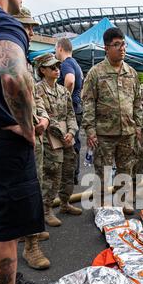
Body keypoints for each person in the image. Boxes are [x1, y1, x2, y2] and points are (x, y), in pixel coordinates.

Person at [0, 0, 56, 284]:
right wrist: (26, 127)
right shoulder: (0, 21)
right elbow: (13, 77)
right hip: (3, 147)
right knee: (6, 231)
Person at [82, 27, 143, 214]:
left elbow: (137, 101)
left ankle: (124, 201)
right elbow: (88, 103)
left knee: (126, 170)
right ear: (106, 48)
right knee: (103, 171)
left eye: (123, 44)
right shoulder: (96, 73)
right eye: (117, 44)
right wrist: (90, 131)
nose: (122, 48)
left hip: (127, 133)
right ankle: (101, 204)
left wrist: (138, 126)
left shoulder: (131, 73)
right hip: (104, 134)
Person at [14, 6, 50, 269]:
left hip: (29, 137)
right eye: (26, 26)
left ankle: (31, 240)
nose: (30, 31)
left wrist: (43, 117)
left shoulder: (23, 60)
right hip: (7, 137)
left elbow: (35, 99)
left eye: (31, 27)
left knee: (31, 188)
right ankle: (28, 238)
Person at [35, 53, 82, 228]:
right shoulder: (37, 89)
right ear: (42, 70)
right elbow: (41, 115)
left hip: (66, 136)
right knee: (52, 172)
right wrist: (61, 131)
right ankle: (47, 209)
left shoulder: (63, 90)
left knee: (69, 168)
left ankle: (64, 202)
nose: (57, 70)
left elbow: (71, 113)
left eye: (58, 67)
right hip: (49, 137)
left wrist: (71, 131)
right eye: (52, 67)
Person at [56, 38, 84, 185]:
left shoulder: (66, 63)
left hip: (71, 108)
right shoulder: (76, 64)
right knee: (75, 142)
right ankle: (74, 175)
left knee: (67, 143)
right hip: (77, 107)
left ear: (60, 48)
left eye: (56, 49)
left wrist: (64, 101)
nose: (55, 52)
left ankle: (68, 177)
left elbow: (70, 80)